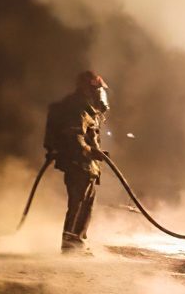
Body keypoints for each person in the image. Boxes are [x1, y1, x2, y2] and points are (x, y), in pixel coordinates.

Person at [43, 70, 110, 254]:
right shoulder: (78, 109)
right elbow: (75, 138)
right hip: (77, 164)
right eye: (98, 89)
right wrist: (92, 152)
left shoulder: (88, 109)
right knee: (78, 204)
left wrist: (95, 152)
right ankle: (70, 245)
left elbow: (89, 137)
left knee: (85, 204)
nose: (101, 94)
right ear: (88, 88)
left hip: (86, 165)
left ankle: (77, 242)